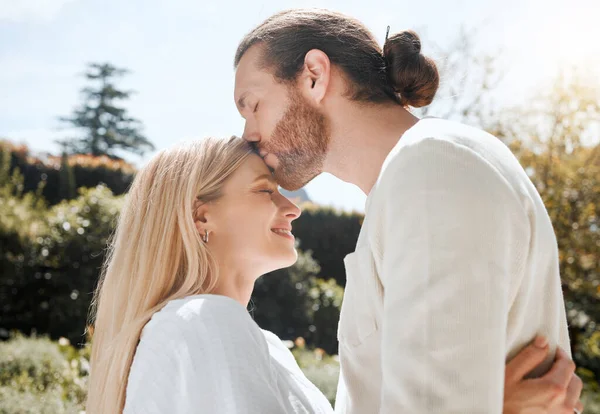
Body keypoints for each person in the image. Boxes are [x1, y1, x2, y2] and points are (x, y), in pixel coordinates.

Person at [233, 8, 584, 413]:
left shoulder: (432, 168)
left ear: (314, 74)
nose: (249, 135)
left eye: (253, 105)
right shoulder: (407, 182)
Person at [85, 138, 580, 414]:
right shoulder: (202, 323)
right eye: (265, 191)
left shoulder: (258, 344)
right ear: (201, 217)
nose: (292, 206)